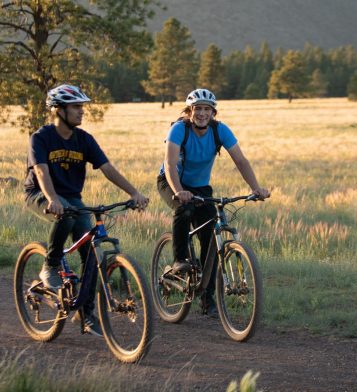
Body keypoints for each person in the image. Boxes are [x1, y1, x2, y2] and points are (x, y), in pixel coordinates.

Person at [25, 83, 149, 336]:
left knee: (91, 252)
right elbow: (41, 171)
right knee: (67, 217)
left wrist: (134, 193)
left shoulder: (84, 139)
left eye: (82, 106)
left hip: (71, 197)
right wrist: (52, 199)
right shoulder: (41, 138)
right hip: (40, 194)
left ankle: (86, 313)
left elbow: (107, 168)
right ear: (58, 110)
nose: (82, 111)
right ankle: (50, 265)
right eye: (76, 107)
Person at [157, 88, 269, 316]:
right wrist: (179, 191)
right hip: (172, 182)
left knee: (210, 236)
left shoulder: (220, 131)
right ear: (190, 111)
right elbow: (169, 165)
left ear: (213, 113)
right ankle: (180, 260)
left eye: (207, 109)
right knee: (185, 210)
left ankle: (207, 298)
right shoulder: (179, 129)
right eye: (197, 108)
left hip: (200, 187)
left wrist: (255, 188)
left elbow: (240, 160)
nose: (202, 113)